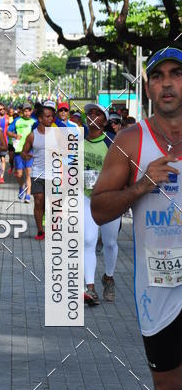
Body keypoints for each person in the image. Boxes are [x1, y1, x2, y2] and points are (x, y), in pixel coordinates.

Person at [91, 46, 182, 390]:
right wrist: (143, 184)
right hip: (158, 284)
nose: (167, 83)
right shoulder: (131, 141)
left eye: (177, 74)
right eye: (159, 76)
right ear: (148, 86)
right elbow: (100, 208)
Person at [82, 102, 119, 304]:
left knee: (110, 243)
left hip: (109, 199)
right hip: (86, 197)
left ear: (104, 122)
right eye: (90, 114)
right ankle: (90, 288)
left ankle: (109, 278)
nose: (92, 117)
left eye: (97, 114)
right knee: (88, 241)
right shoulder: (77, 140)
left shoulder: (111, 142)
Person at [22, 101, 57, 240]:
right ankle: (40, 231)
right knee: (38, 201)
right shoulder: (32, 135)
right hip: (37, 173)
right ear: (40, 119)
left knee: (52, 204)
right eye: (48, 116)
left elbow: (68, 151)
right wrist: (26, 156)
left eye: (52, 116)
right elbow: (23, 152)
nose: (50, 119)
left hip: (54, 174)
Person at [8, 102, 35, 202]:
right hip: (19, 150)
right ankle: (21, 186)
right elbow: (8, 131)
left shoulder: (34, 122)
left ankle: (28, 194)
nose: (27, 113)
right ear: (22, 112)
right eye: (25, 111)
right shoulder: (17, 121)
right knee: (19, 174)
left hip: (30, 150)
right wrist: (15, 136)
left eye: (29, 111)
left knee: (28, 173)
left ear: (31, 111)